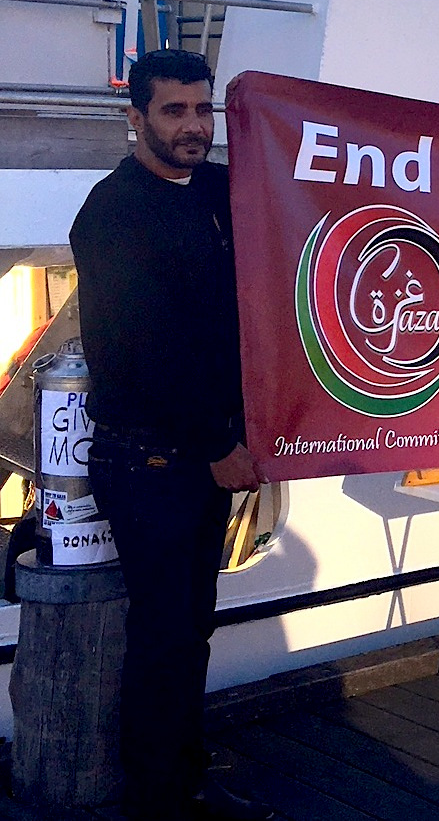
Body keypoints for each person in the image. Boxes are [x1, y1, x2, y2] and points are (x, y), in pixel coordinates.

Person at [70, 49, 271, 821]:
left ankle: (186, 779)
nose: (192, 127)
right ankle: (156, 799)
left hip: (205, 452)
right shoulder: (113, 213)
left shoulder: (218, 190)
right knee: (162, 636)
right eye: (174, 111)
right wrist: (217, 445)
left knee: (192, 629)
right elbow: (135, 351)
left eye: (203, 110)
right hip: (149, 457)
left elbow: (298, 193)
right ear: (136, 118)